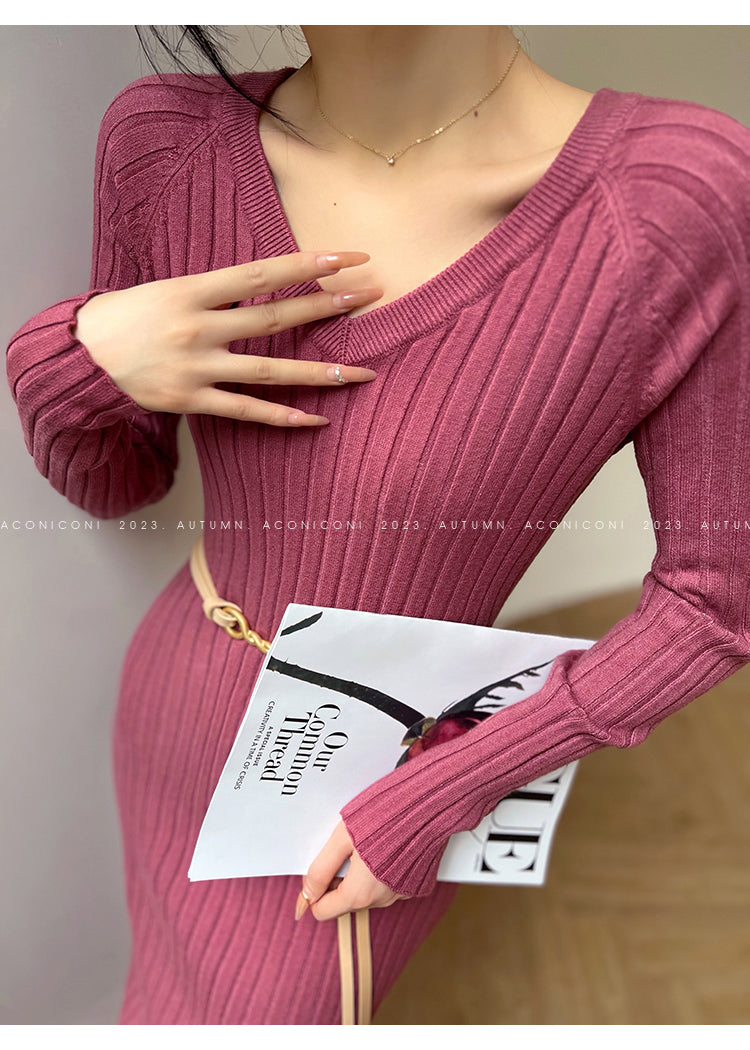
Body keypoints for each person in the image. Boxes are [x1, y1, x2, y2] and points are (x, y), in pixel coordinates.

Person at [6, 24, 750, 1025]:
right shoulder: (164, 141)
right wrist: (71, 361)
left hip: (371, 783)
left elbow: (717, 601)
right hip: (178, 697)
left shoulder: (670, 199)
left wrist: (445, 790)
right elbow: (122, 485)